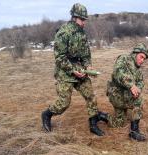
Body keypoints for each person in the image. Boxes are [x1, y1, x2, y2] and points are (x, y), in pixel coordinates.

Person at [41, 3, 105, 136]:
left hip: (80, 70)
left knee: (90, 96)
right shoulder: (63, 33)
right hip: (65, 72)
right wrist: (72, 70)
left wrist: (88, 66)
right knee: (64, 103)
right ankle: (47, 114)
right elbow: (59, 58)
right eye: (82, 19)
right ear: (74, 17)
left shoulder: (81, 33)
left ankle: (93, 124)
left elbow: (86, 54)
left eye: (85, 20)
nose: (84, 23)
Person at [98, 43, 148, 141]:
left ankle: (99, 116)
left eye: (144, 59)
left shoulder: (138, 69)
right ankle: (134, 132)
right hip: (117, 95)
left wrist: (137, 89)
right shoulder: (124, 59)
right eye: (141, 57)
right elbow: (118, 73)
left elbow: (141, 82)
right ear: (135, 53)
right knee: (139, 101)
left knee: (119, 123)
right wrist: (131, 85)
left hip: (125, 96)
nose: (142, 60)